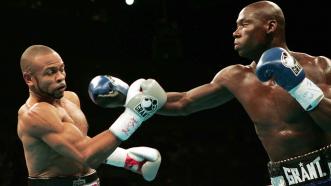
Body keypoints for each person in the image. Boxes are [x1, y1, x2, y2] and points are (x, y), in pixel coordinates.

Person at [156, 1, 331, 186]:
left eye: (244, 24)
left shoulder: (319, 67)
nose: (235, 32)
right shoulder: (235, 77)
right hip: (282, 181)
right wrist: (129, 99)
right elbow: (183, 102)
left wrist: (299, 86)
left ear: (270, 26)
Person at [17, 44, 166, 186]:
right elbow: (86, 155)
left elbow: (77, 144)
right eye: (51, 72)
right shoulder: (34, 115)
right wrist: (135, 114)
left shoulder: (70, 99)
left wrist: (128, 160)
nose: (60, 76)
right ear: (29, 79)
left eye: (62, 69)